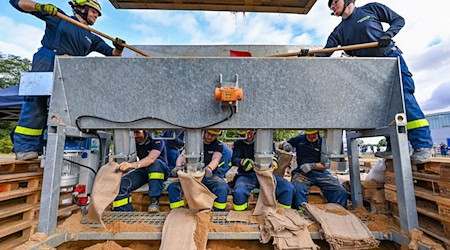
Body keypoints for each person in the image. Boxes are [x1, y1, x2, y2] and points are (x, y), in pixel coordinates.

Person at [301, 0, 433, 164]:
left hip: (389, 59)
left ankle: (423, 146)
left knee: (405, 99)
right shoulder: (338, 32)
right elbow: (324, 54)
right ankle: (393, 146)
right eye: (330, 5)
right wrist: (308, 56)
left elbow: (399, 20)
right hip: (369, 71)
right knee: (381, 107)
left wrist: (388, 35)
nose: (332, 6)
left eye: (335, 2)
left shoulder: (371, 9)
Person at [10, 0, 125, 160]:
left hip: (70, 70)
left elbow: (112, 54)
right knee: (36, 103)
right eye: (93, 11)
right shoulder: (59, 17)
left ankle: (48, 147)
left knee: (61, 109)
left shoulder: (91, 37)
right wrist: (39, 7)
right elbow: (17, 3)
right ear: (81, 8)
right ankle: (25, 148)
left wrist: (119, 47)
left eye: (98, 14)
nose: (96, 15)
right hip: (48, 59)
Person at [280, 130, 348, 209]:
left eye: (314, 134)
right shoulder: (299, 139)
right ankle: (301, 212)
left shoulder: (324, 142)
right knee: (297, 189)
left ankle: (338, 211)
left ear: (318, 132)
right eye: (309, 134)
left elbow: (330, 164)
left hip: (321, 172)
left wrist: (313, 166)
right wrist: (284, 144)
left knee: (339, 191)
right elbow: (281, 145)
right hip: (302, 173)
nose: (311, 136)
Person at [232, 130, 294, 211]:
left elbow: (274, 154)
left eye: (250, 133)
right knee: (239, 192)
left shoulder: (267, 141)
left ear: (255, 131)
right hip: (246, 176)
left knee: (288, 188)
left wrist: (273, 160)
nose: (248, 136)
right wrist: (242, 162)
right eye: (244, 134)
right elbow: (234, 159)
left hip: (267, 174)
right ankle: (240, 216)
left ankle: (283, 214)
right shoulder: (239, 143)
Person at [168, 130, 229, 210]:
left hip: (208, 176)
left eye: (213, 135)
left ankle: (219, 212)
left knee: (222, 187)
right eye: (209, 134)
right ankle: (177, 212)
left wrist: (209, 168)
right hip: (191, 175)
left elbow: (216, 158)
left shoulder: (218, 145)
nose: (210, 137)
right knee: (173, 187)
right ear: (204, 132)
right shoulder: (193, 143)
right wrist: (178, 166)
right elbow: (183, 155)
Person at [113, 130, 169, 213]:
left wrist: (132, 165)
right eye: (133, 133)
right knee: (123, 183)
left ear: (145, 131)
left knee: (155, 164)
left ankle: (154, 202)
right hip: (144, 170)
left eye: (138, 132)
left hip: (160, 170)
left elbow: (151, 159)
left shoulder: (156, 140)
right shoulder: (132, 143)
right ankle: (123, 212)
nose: (135, 136)